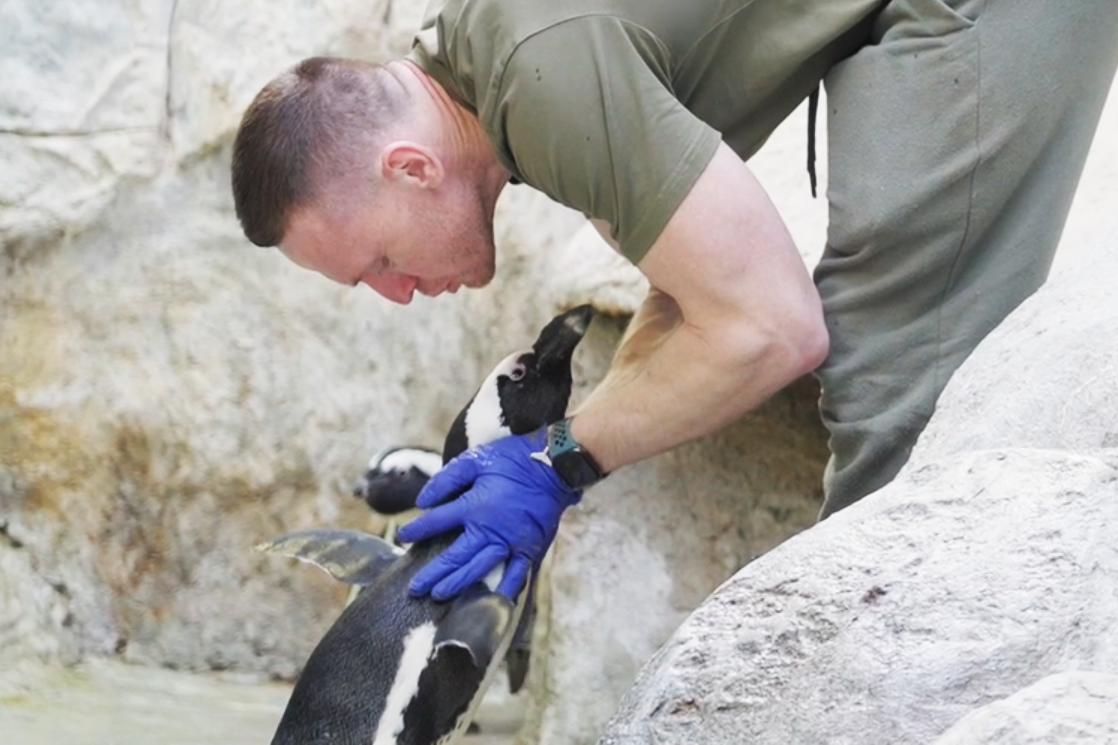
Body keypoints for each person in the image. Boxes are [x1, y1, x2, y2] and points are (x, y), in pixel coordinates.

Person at [232, 0, 1118, 602]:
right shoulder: (502, 66)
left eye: (378, 261)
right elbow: (696, 293)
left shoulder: (542, 78)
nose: (397, 294)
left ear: (411, 170)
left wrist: (560, 467)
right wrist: (561, 454)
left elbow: (772, 329)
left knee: (897, 370)